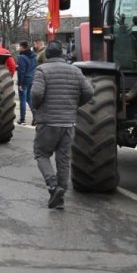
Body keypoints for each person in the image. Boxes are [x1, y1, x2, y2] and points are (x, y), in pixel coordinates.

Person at [30, 40, 94, 210]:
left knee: (41, 154)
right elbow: (89, 92)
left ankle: (52, 185)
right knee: (63, 159)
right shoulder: (75, 71)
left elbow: (36, 93)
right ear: (62, 54)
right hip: (68, 122)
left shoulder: (42, 70)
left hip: (48, 122)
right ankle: (60, 197)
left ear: (47, 55)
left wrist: (36, 107)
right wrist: (74, 105)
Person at [16, 41, 37, 125]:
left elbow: (21, 71)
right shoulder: (33, 56)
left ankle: (22, 119)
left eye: (19, 46)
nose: (18, 48)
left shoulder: (21, 57)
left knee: (22, 100)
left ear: (22, 47)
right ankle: (35, 117)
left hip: (24, 80)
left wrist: (20, 83)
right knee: (29, 98)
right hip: (32, 79)